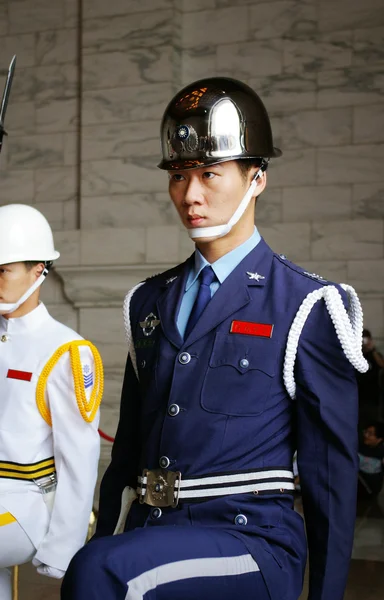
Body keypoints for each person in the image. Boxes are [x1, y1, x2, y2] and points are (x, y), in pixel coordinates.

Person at [62, 78, 368, 600]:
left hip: (251, 540)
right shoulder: (147, 302)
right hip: (152, 533)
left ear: (257, 178)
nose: (190, 194)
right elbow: (130, 446)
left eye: (209, 173)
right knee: (99, 563)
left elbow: (331, 479)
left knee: (105, 573)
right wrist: (104, 533)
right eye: (178, 176)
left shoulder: (308, 305)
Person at [0, 204, 103, 600]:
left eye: (3, 269)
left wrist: (64, 547)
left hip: (27, 504)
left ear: (38, 269)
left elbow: (79, 457)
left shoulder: (66, 351)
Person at [358, 421, 384, 504]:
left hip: (369, 488)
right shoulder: (358, 446)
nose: (366, 435)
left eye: (370, 434)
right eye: (366, 432)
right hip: (357, 481)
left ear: (379, 439)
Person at [356, 329, 384, 425]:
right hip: (357, 396)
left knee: (371, 423)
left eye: (365, 339)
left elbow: (382, 365)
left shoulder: (375, 354)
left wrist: (372, 350)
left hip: (372, 396)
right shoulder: (355, 355)